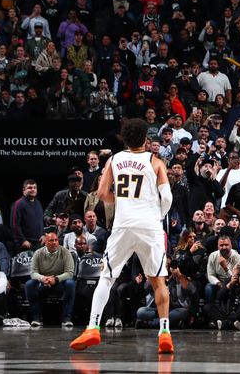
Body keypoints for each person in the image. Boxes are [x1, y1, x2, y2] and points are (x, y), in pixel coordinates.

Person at [70, 118, 174, 354]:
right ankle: (165, 333)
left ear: (124, 139)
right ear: (146, 140)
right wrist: (156, 214)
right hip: (149, 226)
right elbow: (167, 197)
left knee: (106, 276)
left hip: (123, 225)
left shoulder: (114, 160)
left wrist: (121, 202)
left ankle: (92, 328)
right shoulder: (155, 161)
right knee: (158, 280)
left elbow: (101, 193)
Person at [25, 231, 76, 327]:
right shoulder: (38, 253)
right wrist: (43, 278)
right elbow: (33, 273)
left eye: (56, 240)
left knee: (71, 283)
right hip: (44, 282)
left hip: (60, 282)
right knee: (29, 284)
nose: (54, 243)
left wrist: (56, 279)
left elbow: (69, 273)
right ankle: (36, 318)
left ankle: (66, 318)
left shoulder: (65, 252)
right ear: (45, 242)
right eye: (51, 240)